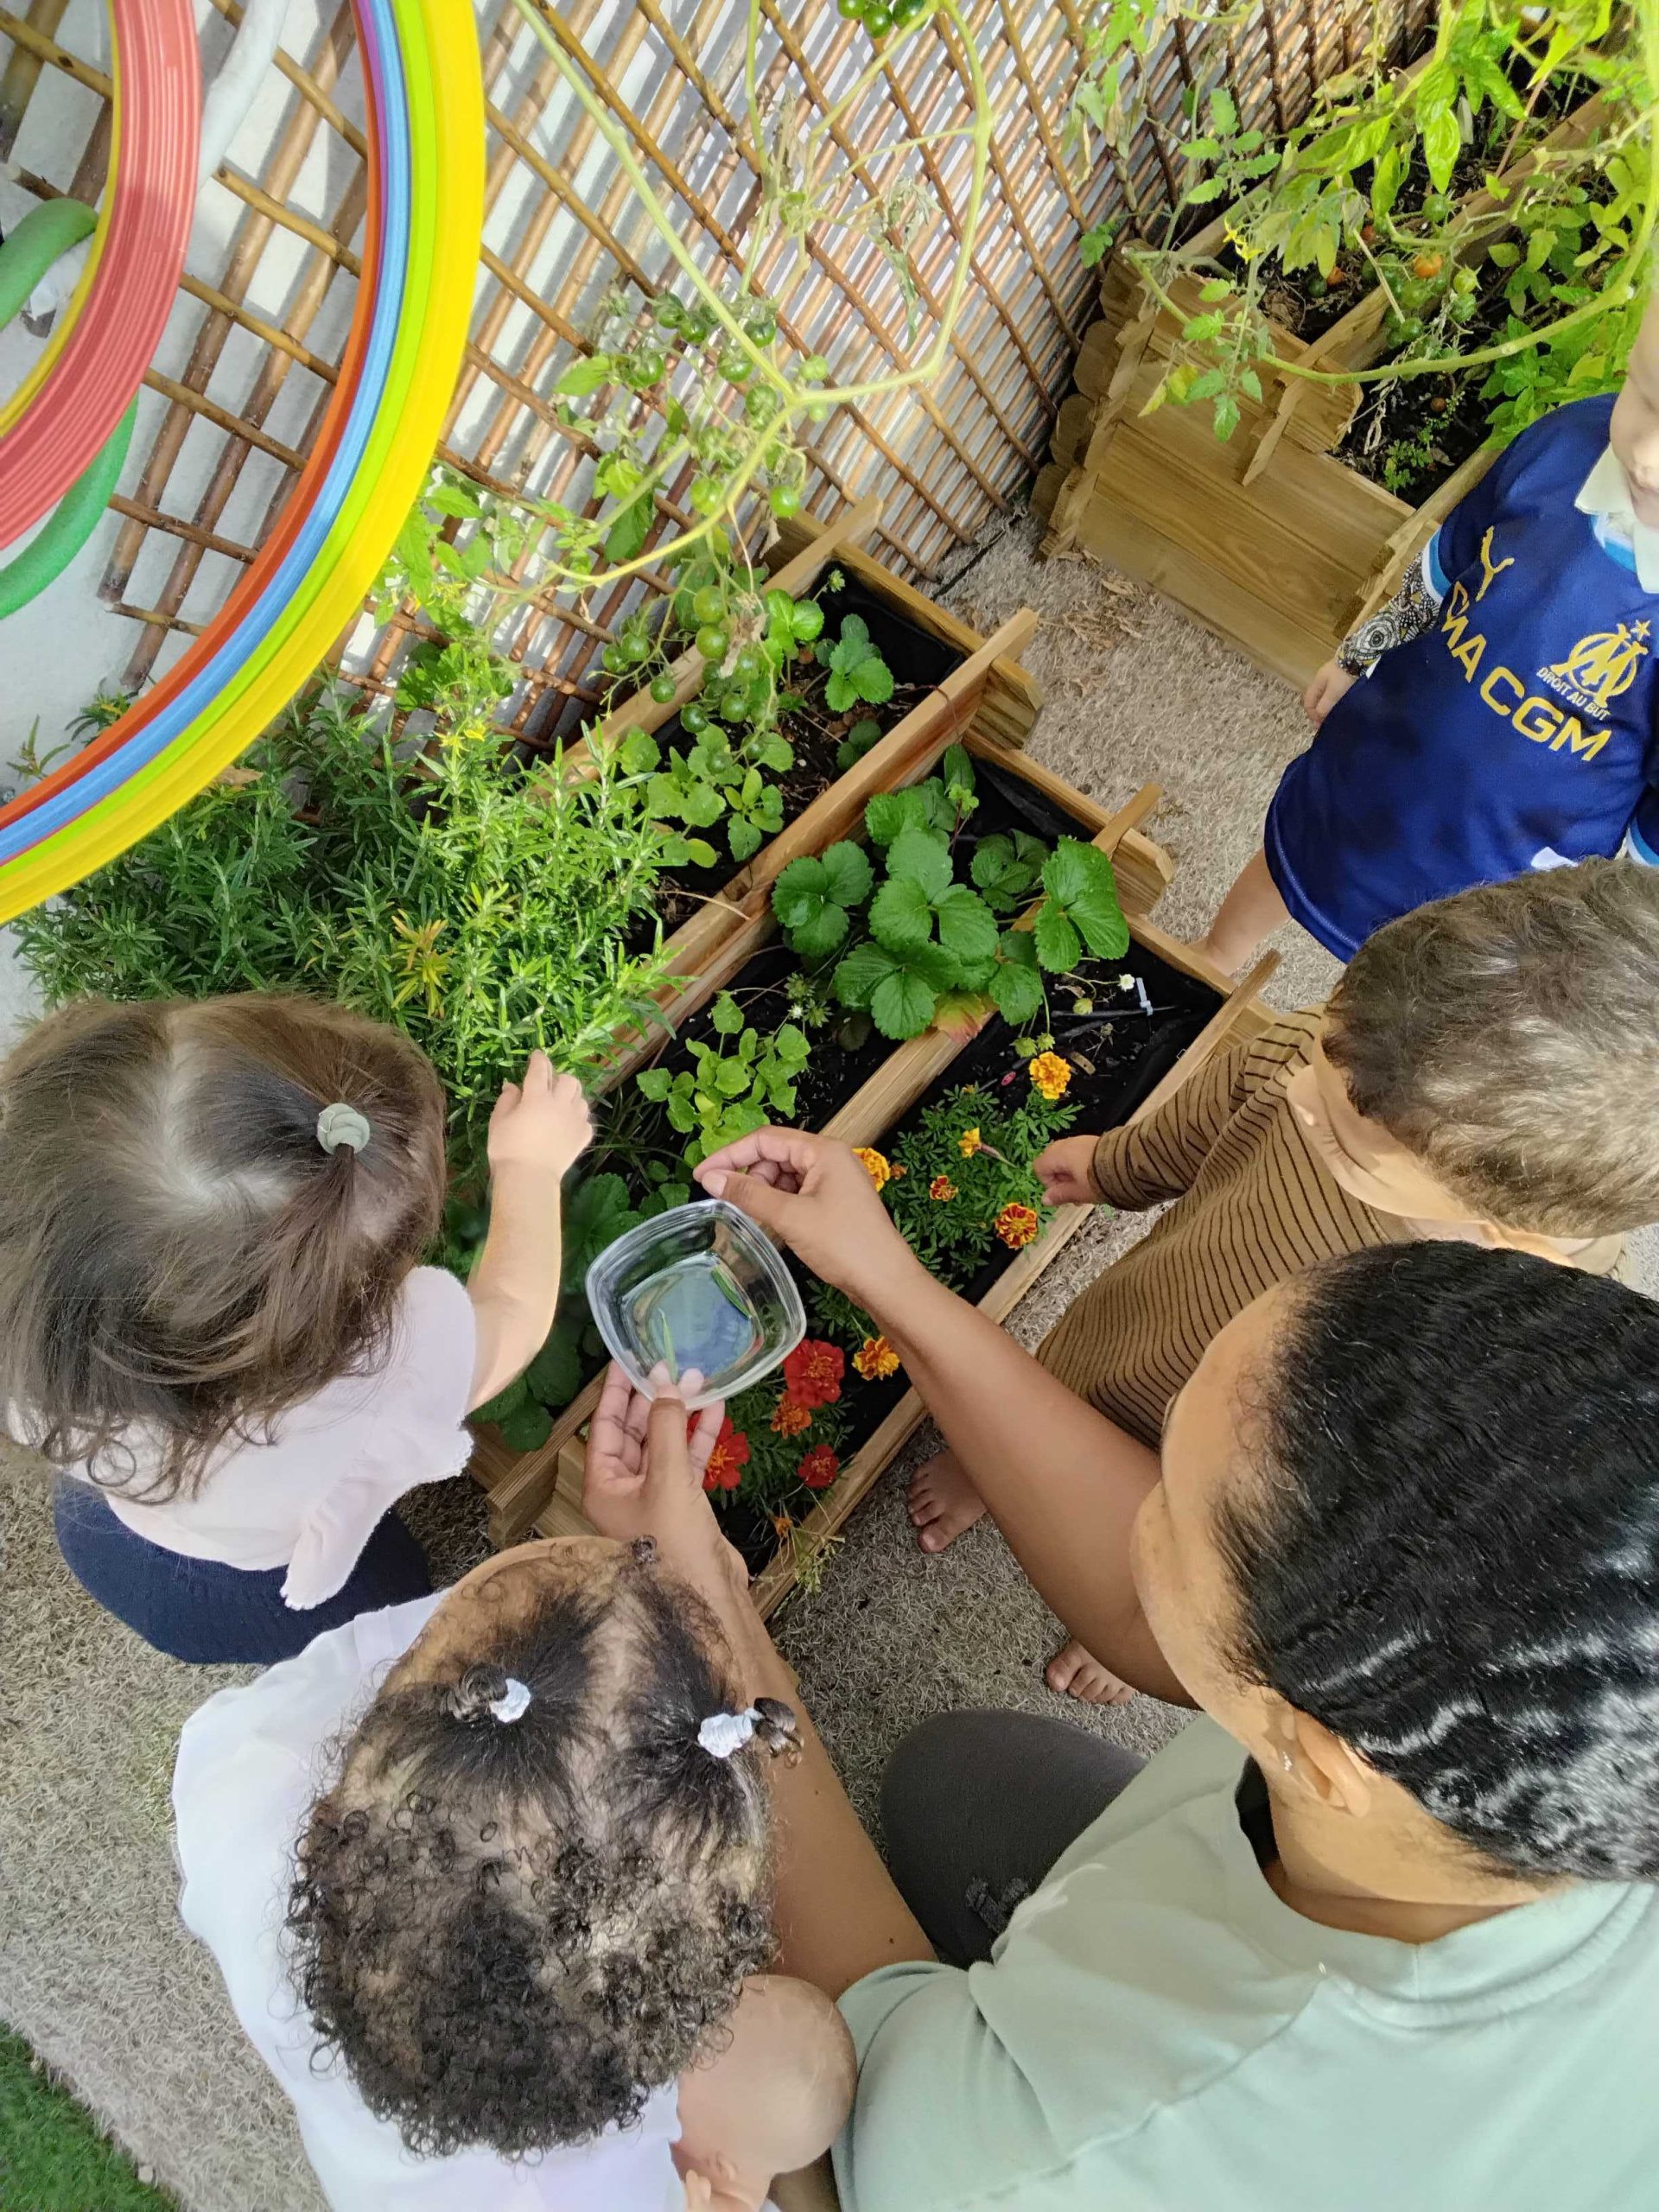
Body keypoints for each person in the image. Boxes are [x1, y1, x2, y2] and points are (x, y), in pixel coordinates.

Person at [614, 1126, 1659, 2212]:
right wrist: (885, 1276)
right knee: (958, 1775)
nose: (1133, 1493)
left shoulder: (1079, 2149)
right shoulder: (1522, 1714)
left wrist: (702, 1603)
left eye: (1164, 1498)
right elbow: (1144, 1615)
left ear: (1312, 1750)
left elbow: (863, 2073)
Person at [908, 858, 1659, 1700]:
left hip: (1222, 1463)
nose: (1301, 1086)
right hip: (1140, 1318)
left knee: (1163, 1549)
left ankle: (1118, 1615)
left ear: (1509, 1230)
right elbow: (1226, 1101)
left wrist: (1145, 1619)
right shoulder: (1347, 1051)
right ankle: (994, 1459)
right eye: (1322, 1039)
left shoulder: (1514, 1348)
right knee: (1055, 1381)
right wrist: (1117, 1165)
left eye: (1337, 1129)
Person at [172, 1478, 856, 2212]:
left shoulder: (242, 1782)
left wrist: (586, 1584)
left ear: (318, 1828)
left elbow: (450, 1634)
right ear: (684, 2039)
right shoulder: (645, 2179)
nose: (640, 1560)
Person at [0, 992, 592, 1663]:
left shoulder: (29, 1324)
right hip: (270, 1597)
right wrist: (529, 1169)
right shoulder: (377, 1380)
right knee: (387, 1633)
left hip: (109, 1534)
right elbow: (513, 1315)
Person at [1194, 286, 1659, 973]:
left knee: (1418, 997)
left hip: (1505, 868)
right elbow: (1443, 567)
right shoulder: (1563, 443)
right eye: (1644, 396)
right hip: (1388, 743)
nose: (1645, 454)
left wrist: (1609, 924)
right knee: (1299, 845)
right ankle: (1211, 955)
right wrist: (1361, 654)